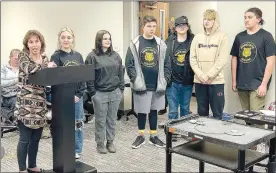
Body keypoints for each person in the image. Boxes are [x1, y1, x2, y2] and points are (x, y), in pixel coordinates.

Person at [125, 15, 171, 149]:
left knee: (154, 111)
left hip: (157, 85)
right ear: (143, 27)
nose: (152, 29)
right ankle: (140, 136)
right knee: (142, 111)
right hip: (142, 85)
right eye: (149, 26)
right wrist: (135, 80)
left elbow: (167, 63)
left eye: (154, 26)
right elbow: (129, 64)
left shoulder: (161, 44)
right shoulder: (135, 43)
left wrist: (166, 79)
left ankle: (153, 136)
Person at [15, 30, 56, 173]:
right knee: (24, 140)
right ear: (27, 44)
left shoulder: (45, 58)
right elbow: (30, 69)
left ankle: (32, 165)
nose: (34, 44)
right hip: (25, 106)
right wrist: (47, 67)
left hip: (40, 105)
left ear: (41, 43)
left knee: (35, 139)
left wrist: (53, 70)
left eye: (36, 41)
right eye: (31, 42)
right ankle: (22, 169)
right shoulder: (23, 56)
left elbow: (46, 78)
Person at [85, 30, 124, 154]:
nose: (108, 41)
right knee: (100, 120)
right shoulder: (92, 56)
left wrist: (120, 89)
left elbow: (120, 73)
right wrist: (93, 93)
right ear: (99, 41)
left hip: (115, 92)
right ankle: (100, 143)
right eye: (105, 39)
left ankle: (110, 142)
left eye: (109, 38)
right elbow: (89, 76)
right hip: (99, 93)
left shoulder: (116, 56)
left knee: (111, 119)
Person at [231, 7, 275, 112]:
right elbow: (234, 58)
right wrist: (234, 81)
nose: (246, 20)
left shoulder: (266, 36)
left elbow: (271, 61)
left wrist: (264, 84)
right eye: (245, 17)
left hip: (258, 83)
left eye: (250, 17)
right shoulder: (239, 37)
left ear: (258, 19)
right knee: (246, 115)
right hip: (242, 82)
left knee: (256, 117)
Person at [50, 27, 85, 159]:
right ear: (59, 39)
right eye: (63, 37)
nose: (66, 40)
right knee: (64, 124)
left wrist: (79, 95)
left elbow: (83, 77)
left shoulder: (78, 56)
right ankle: (66, 148)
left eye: (68, 37)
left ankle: (77, 148)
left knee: (77, 123)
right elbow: (55, 79)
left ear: (73, 39)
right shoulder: (56, 56)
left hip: (77, 97)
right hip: (63, 97)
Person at [190, 9, 229, 120]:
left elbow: (222, 59)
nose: (206, 22)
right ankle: (202, 135)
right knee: (202, 112)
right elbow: (192, 58)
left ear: (215, 21)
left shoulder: (222, 37)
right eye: (205, 19)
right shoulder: (197, 37)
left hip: (216, 81)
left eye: (210, 19)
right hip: (199, 80)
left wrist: (208, 75)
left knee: (217, 112)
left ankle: (215, 135)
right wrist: (201, 75)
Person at [165, 16, 195, 140]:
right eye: (179, 26)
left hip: (187, 81)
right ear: (175, 28)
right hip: (172, 81)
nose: (182, 27)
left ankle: (185, 131)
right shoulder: (169, 42)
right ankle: (172, 132)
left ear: (188, 27)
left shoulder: (193, 40)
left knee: (185, 108)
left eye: (184, 25)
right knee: (172, 110)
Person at [1, 49, 20, 122]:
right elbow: (1, 83)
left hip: (18, 94)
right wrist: (16, 80)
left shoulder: (22, 68)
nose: (17, 60)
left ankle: (12, 118)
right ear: (10, 57)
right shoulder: (3, 68)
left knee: (19, 101)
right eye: (16, 58)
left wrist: (8, 81)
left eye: (19, 59)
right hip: (4, 95)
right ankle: (13, 118)